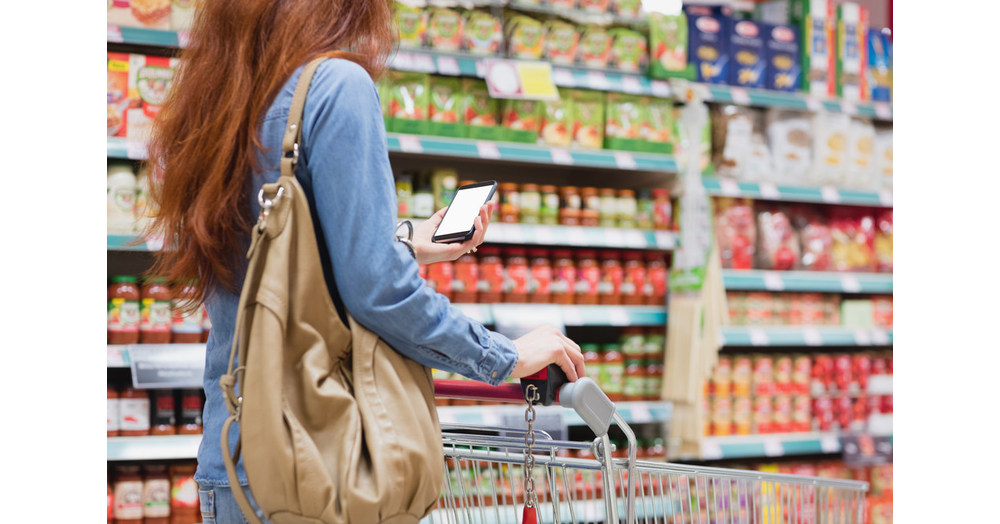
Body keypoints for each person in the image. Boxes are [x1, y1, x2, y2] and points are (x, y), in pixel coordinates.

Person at [145, 1, 586, 522]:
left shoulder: (220, 96)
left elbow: (274, 258)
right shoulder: (338, 85)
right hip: (320, 464)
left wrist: (401, 239)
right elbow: (379, 291)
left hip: (236, 461)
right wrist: (505, 355)